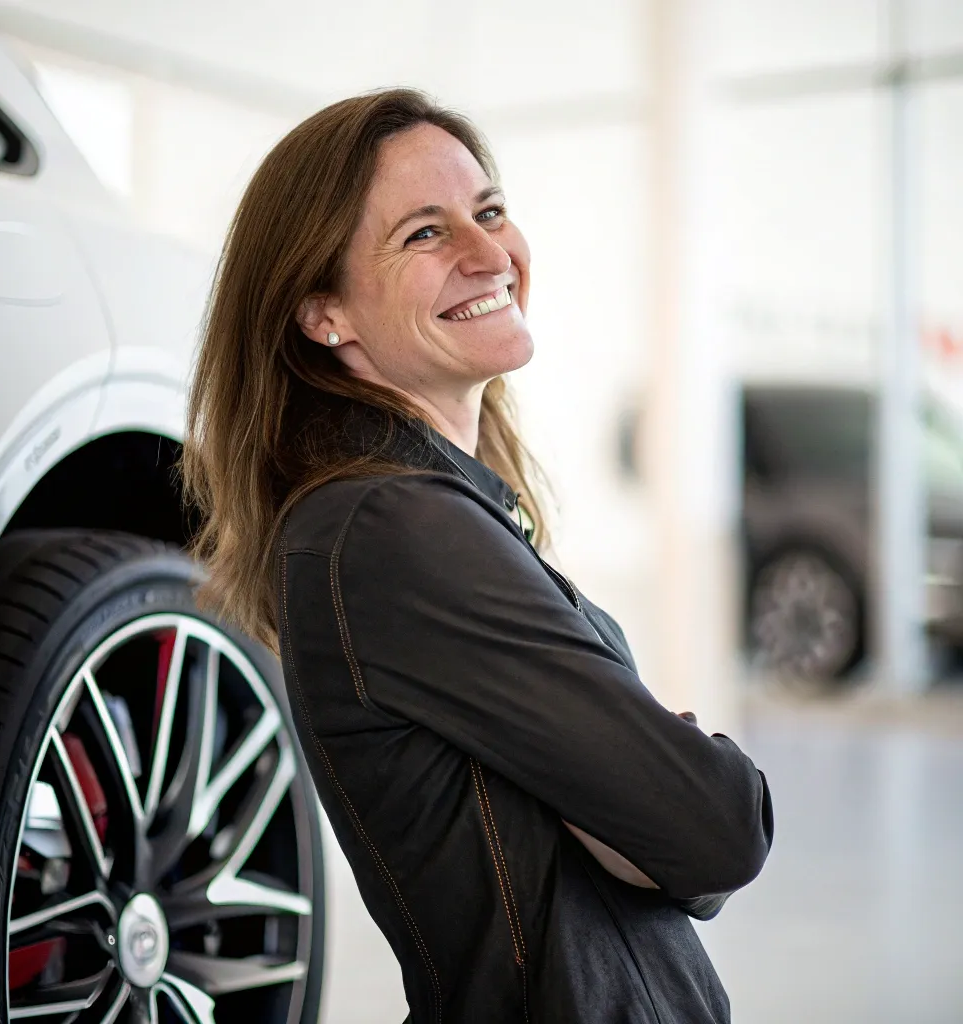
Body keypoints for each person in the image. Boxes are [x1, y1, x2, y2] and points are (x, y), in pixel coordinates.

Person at [182, 87, 773, 1024]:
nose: (489, 254)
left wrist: (651, 787)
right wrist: (686, 756)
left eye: (489, 211)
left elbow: (669, 835)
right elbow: (713, 828)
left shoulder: (430, 514)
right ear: (322, 311)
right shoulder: (390, 527)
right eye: (424, 233)